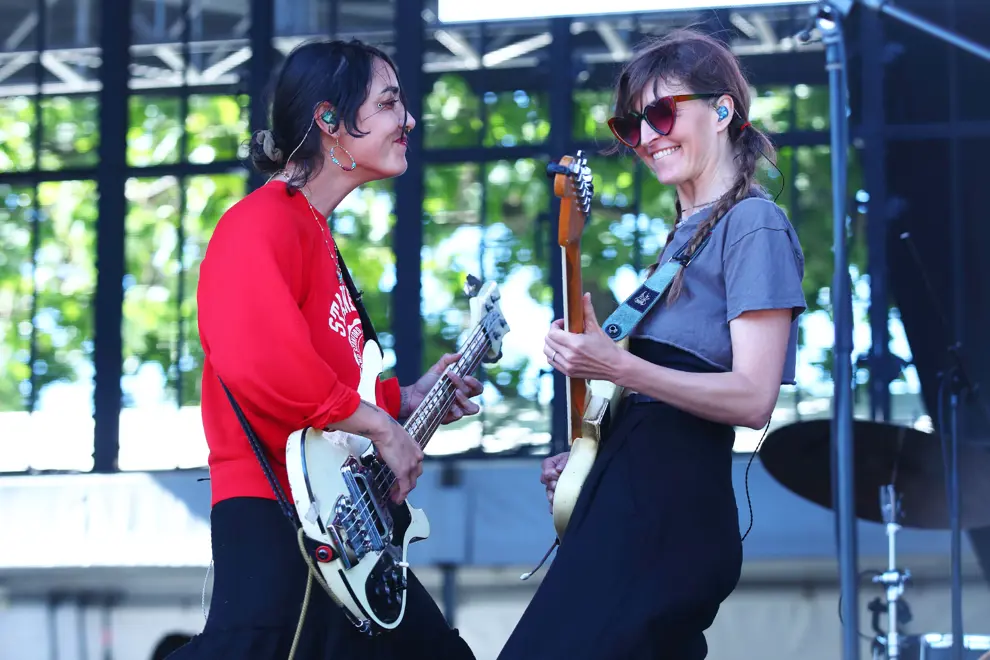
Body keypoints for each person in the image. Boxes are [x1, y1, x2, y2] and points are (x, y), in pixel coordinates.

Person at [498, 29, 807, 660]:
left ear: (722, 110)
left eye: (662, 113)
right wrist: (592, 458)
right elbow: (650, 398)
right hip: (636, 498)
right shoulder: (683, 238)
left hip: (669, 510)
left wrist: (618, 367)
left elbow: (753, 399)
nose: (644, 137)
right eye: (630, 124)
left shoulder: (754, 222)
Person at [169, 39, 479, 660]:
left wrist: (406, 400)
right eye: (389, 103)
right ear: (329, 120)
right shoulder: (259, 222)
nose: (408, 120)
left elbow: (332, 384)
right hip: (274, 511)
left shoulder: (317, 236)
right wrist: (383, 428)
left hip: (342, 525)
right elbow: (263, 361)